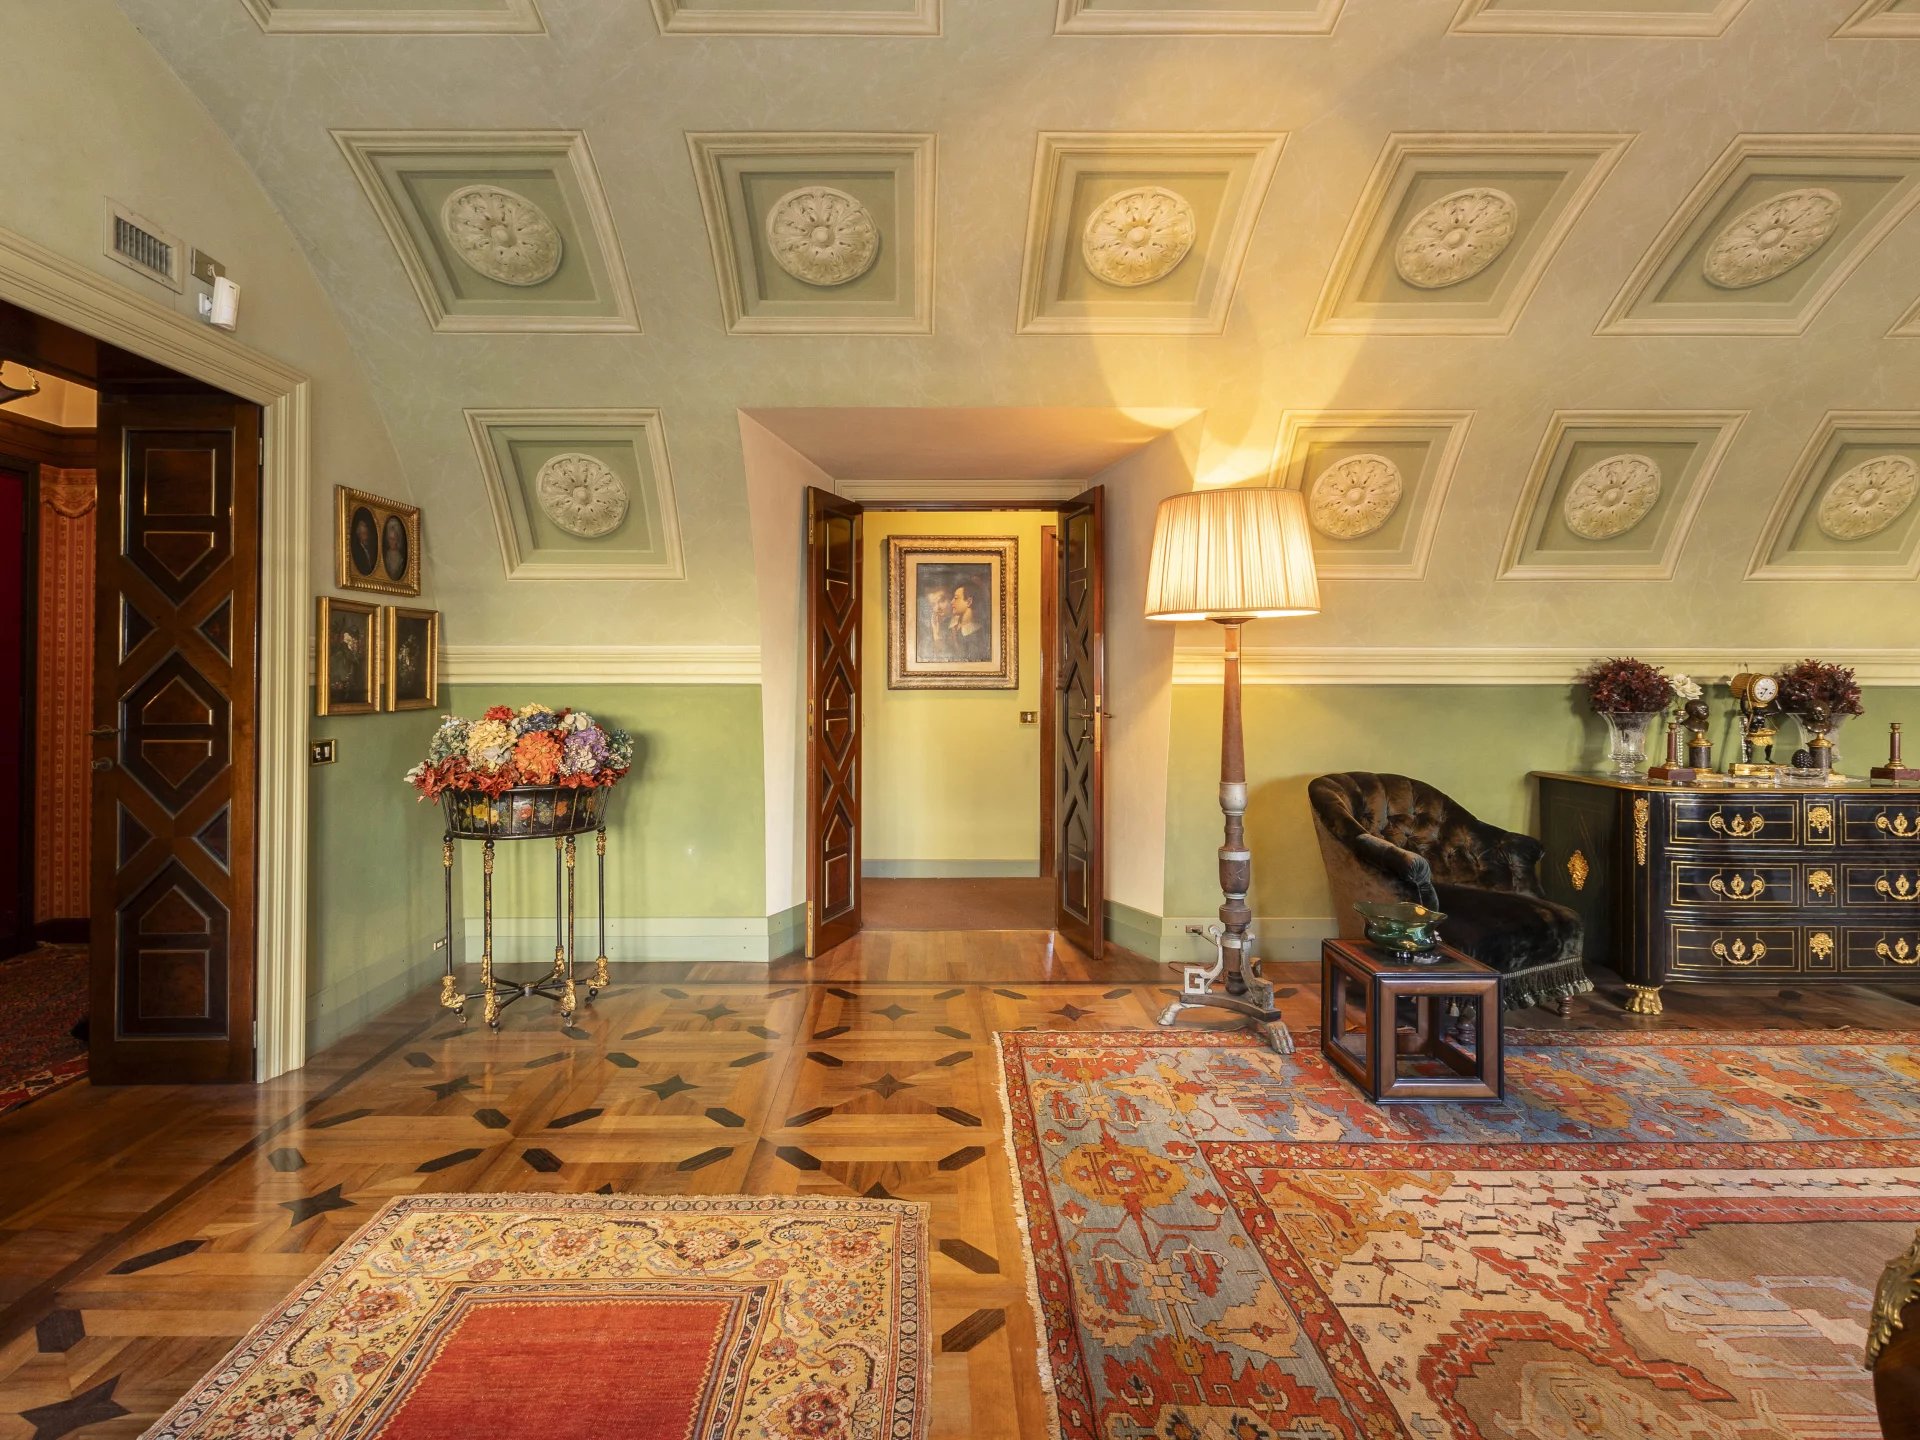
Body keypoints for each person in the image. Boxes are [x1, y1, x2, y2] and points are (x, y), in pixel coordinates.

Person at [949, 585, 991, 663]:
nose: (952, 602)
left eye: (956, 598)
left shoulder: (979, 634)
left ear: (969, 602)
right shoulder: (954, 628)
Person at [348, 507, 377, 576]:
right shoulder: (356, 551)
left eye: (366, 528)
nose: (366, 531)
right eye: (363, 533)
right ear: (357, 532)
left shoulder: (371, 550)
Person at [382, 515, 409, 582]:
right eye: (390, 539)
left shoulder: (401, 557)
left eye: (394, 539)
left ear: (397, 539)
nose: (391, 542)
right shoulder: (386, 555)